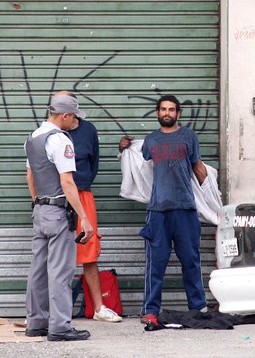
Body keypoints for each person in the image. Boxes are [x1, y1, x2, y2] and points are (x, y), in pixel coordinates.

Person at [118, 95, 208, 326]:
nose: (167, 113)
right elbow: (138, 160)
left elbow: (198, 167)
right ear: (158, 113)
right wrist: (124, 148)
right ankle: (150, 310)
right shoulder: (151, 140)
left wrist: (211, 199)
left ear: (178, 113)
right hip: (158, 210)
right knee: (155, 264)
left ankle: (198, 307)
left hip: (185, 208)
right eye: (163, 109)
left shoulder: (189, 136)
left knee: (191, 261)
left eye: (171, 110)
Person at [24, 93, 94, 341]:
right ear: (64, 115)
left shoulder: (32, 138)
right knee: (60, 272)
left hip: (40, 210)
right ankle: (60, 327)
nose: (74, 122)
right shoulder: (60, 141)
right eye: (73, 117)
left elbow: (30, 178)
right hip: (58, 212)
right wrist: (83, 217)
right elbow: (67, 182)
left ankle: (36, 323)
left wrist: (37, 204)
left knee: (38, 270)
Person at [54, 91, 122, 323]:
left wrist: (81, 185)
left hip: (82, 194)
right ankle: (54, 310)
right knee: (56, 254)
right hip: (57, 196)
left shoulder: (88, 130)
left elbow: (94, 165)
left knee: (89, 250)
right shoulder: (52, 130)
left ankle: (99, 308)